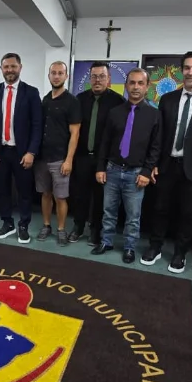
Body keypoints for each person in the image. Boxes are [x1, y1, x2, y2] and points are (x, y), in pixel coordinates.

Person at [142, 52, 192, 272]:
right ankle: (155, 246)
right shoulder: (168, 99)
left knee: (189, 214)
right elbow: (159, 136)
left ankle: (180, 253)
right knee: (159, 209)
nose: (190, 72)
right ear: (182, 71)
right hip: (167, 165)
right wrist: (153, 164)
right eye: (187, 68)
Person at [91, 68, 161, 263]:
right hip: (112, 170)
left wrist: (147, 171)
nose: (136, 87)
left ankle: (130, 247)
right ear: (126, 85)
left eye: (140, 83)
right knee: (108, 211)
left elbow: (155, 147)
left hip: (137, 173)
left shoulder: (154, 115)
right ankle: (106, 241)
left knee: (133, 216)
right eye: (132, 82)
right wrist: (100, 167)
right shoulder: (115, 112)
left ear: (147, 87)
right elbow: (104, 142)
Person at [0, 53, 43, 244]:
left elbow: (37, 125)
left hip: (22, 152)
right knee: (2, 190)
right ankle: (7, 223)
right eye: (6, 67)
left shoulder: (31, 92)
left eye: (13, 66)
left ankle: (23, 225)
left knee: (24, 191)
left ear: (20, 67)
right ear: (1, 69)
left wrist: (31, 152)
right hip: (0, 151)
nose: (9, 70)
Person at [70, 61, 125, 245]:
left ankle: (95, 230)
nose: (97, 80)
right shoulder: (80, 99)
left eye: (102, 76)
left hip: (105, 160)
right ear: (90, 79)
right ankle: (78, 227)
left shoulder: (118, 102)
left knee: (100, 198)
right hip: (82, 157)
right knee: (79, 195)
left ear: (109, 79)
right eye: (94, 76)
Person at [35, 61, 81, 246]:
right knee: (45, 194)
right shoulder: (45, 99)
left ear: (66, 76)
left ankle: (61, 229)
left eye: (60, 73)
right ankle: (47, 225)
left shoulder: (72, 102)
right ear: (49, 76)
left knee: (60, 196)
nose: (56, 76)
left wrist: (68, 160)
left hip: (60, 158)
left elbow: (75, 133)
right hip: (41, 158)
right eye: (53, 73)